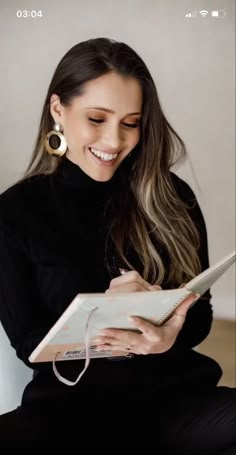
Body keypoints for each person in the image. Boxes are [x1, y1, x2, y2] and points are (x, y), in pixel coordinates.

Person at [0, 37, 235, 451]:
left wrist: (168, 336)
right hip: (68, 412)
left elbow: (201, 316)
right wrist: (104, 316)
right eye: (97, 118)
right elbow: (28, 344)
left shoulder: (171, 196)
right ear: (59, 110)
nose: (113, 142)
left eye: (130, 123)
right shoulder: (16, 212)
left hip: (176, 402)